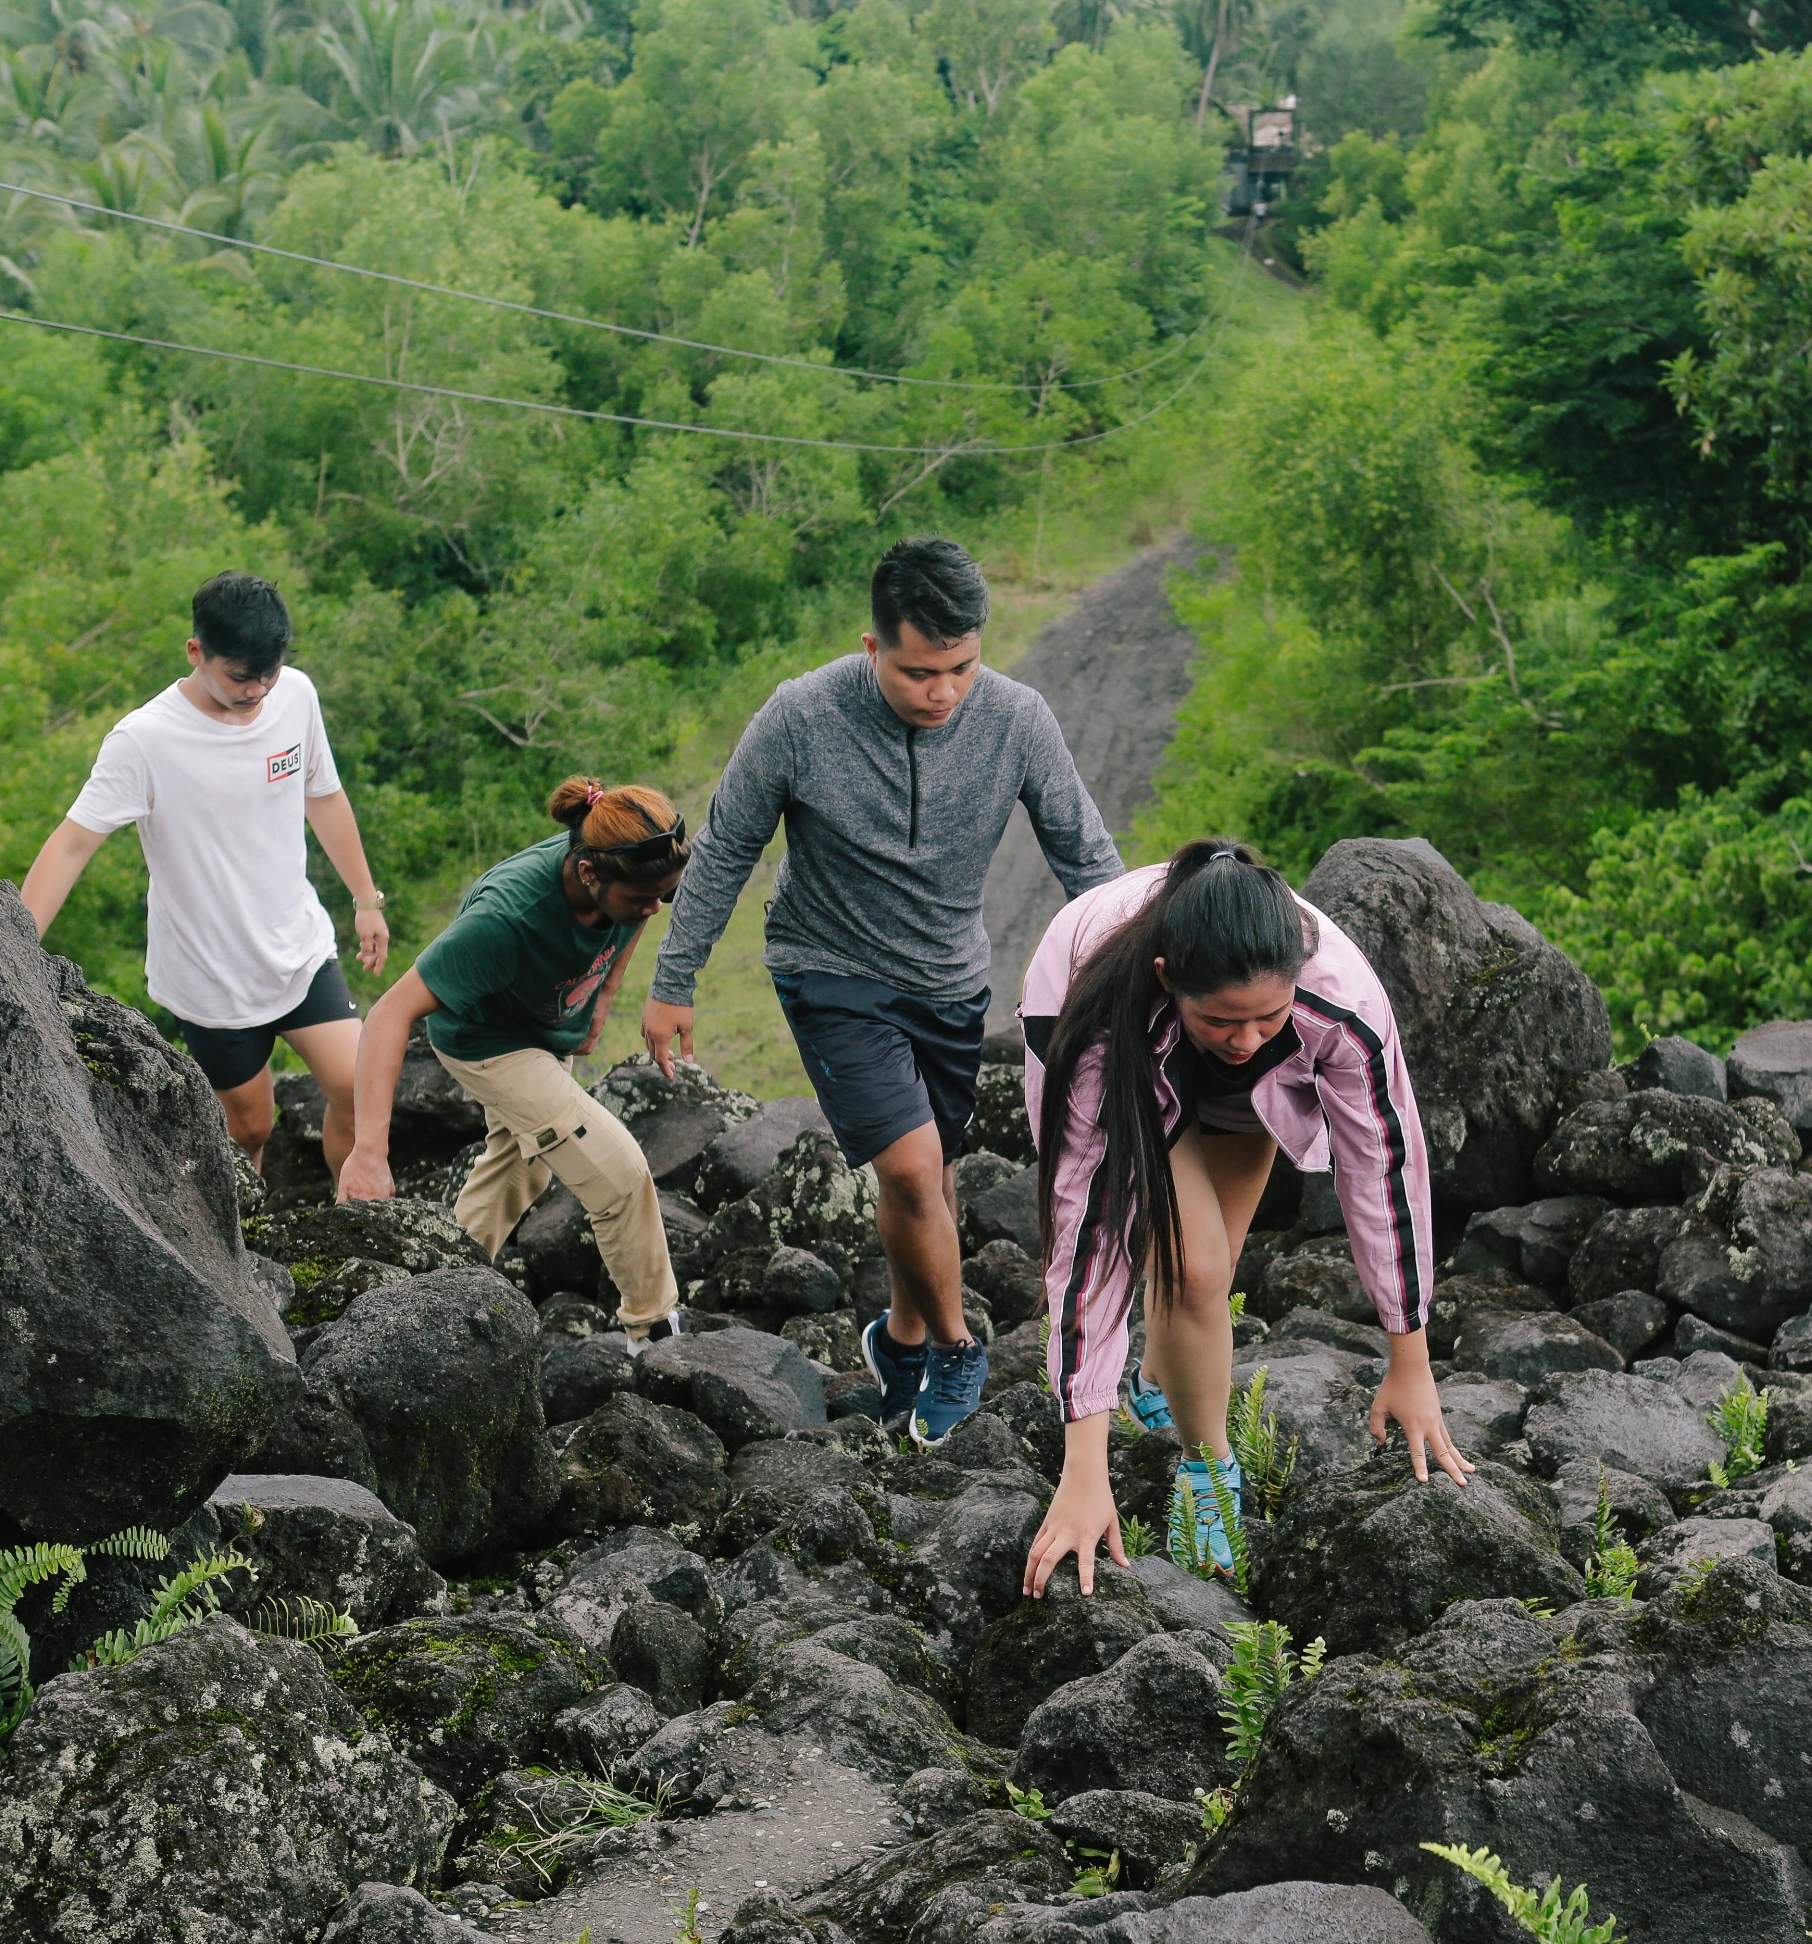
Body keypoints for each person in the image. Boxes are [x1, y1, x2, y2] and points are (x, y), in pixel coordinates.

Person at [641, 538, 1121, 1445]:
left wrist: (1139, 967)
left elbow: (1089, 862)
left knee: (928, 1181)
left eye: (961, 668)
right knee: (906, 1170)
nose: (942, 692)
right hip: (830, 969)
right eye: (917, 672)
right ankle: (955, 1345)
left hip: (948, 980)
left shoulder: (1018, 719)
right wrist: (675, 978)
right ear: (872, 648)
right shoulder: (800, 717)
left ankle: (896, 1340)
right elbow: (727, 847)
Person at [1017, 839, 1474, 1598]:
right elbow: (1087, 1235)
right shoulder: (1099, 1011)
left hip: (1240, 1082)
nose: (1245, 1038)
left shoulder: (1342, 1002)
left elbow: (1383, 1173)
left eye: (1268, 1016)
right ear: (1171, 980)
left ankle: (1162, 1375)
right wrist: (1082, 1470)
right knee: (1192, 1270)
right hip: (1109, 1035)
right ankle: (1207, 1467)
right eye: (1224, 1021)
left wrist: (1411, 1360)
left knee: (1207, 1267)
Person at [21, 571, 389, 1170]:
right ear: (197, 652)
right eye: (240, 677)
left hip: (297, 947)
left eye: (268, 674)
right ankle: (246, 1248)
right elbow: (72, 844)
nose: (257, 690)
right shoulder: (145, 740)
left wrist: (365, 899)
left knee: (358, 1089)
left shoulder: (294, 696)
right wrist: (15, 944)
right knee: (250, 1129)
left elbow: (323, 796)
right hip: (210, 976)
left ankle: (348, 1216)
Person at [336, 778, 693, 1352]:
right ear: (587, 874)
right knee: (619, 1174)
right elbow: (387, 1016)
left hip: (544, 1033)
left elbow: (634, 916)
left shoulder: (629, 872)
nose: (653, 908)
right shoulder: (507, 917)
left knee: (522, 1166)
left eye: (665, 895)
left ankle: (438, 1295)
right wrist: (369, 1153)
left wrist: (602, 998)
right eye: (641, 898)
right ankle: (655, 1333)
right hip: (487, 1041)